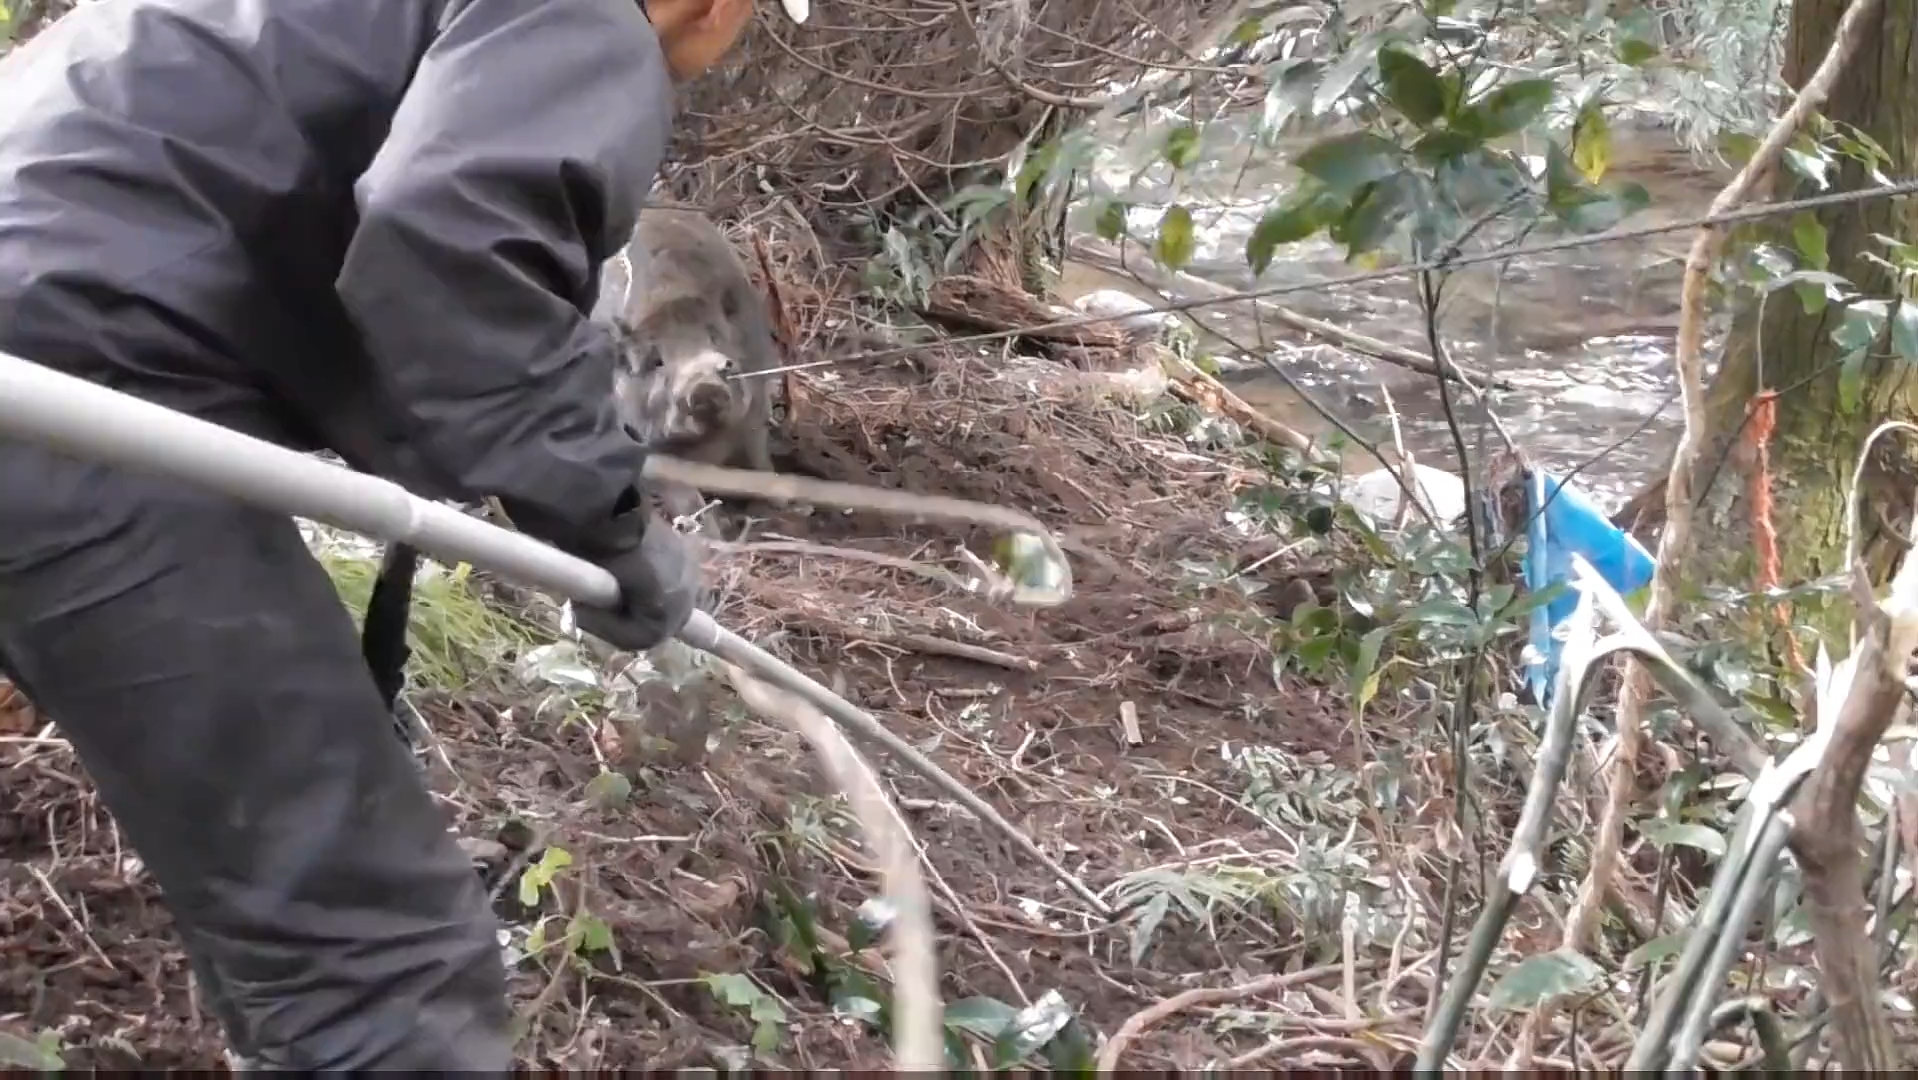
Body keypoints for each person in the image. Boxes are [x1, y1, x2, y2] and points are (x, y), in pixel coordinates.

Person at [0, 0, 799, 1069]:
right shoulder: (589, 14)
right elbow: (451, 237)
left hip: (53, 353)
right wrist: (608, 525)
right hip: (66, 399)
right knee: (377, 968)